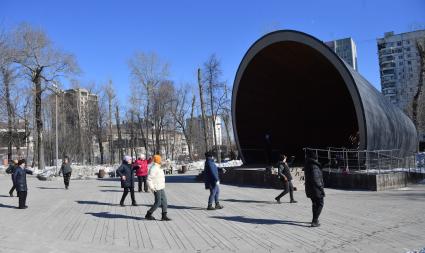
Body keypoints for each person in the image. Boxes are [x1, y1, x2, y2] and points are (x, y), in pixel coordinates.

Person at [145, 155, 171, 221]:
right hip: (156, 188)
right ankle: (148, 214)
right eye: (160, 159)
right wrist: (152, 188)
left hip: (161, 187)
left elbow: (165, 166)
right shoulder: (154, 168)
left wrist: (168, 162)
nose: (161, 160)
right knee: (158, 202)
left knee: (164, 201)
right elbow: (149, 179)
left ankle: (164, 216)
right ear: (158, 160)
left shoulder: (159, 166)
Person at [304, 149, 325, 227]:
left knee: (315, 204)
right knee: (320, 204)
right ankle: (315, 221)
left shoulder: (308, 164)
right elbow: (315, 179)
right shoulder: (314, 166)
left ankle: (314, 219)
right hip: (315, 189)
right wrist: (320, 188)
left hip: (310, 188)